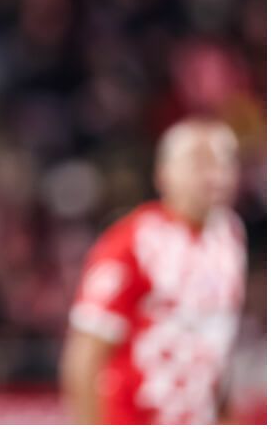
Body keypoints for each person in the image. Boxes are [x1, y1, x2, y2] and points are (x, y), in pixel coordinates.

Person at [60, 118, 247, 424]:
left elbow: (221, 348)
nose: (216, 175)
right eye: (200, 163)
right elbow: (83, 358)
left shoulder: (230, 236)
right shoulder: (131, 242)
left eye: (225, 162)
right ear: (164, 174)